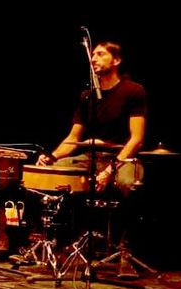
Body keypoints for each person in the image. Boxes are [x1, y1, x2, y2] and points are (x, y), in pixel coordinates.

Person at [36, 41, 147, 194]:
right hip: (90, 158)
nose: (93, 59)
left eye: (100, 54)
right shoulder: (87, 96)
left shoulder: (133, 91)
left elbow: (137, 139)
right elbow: (73, 138)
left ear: (116, 61)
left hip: (122, 159)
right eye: (93, 55)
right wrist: (51, 157)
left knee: (127, 182)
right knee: (54, 172)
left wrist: (109, 171)